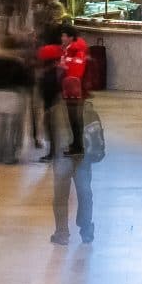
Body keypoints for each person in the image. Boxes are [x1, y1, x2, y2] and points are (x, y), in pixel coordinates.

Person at [51, 98, 102, 245]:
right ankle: (86, 230)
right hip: (83, 158)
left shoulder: (56, 112)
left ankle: (62, 233)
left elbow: (52, 137)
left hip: (64, 157)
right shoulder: (89, 112)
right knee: (85, 194)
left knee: (61, 197)